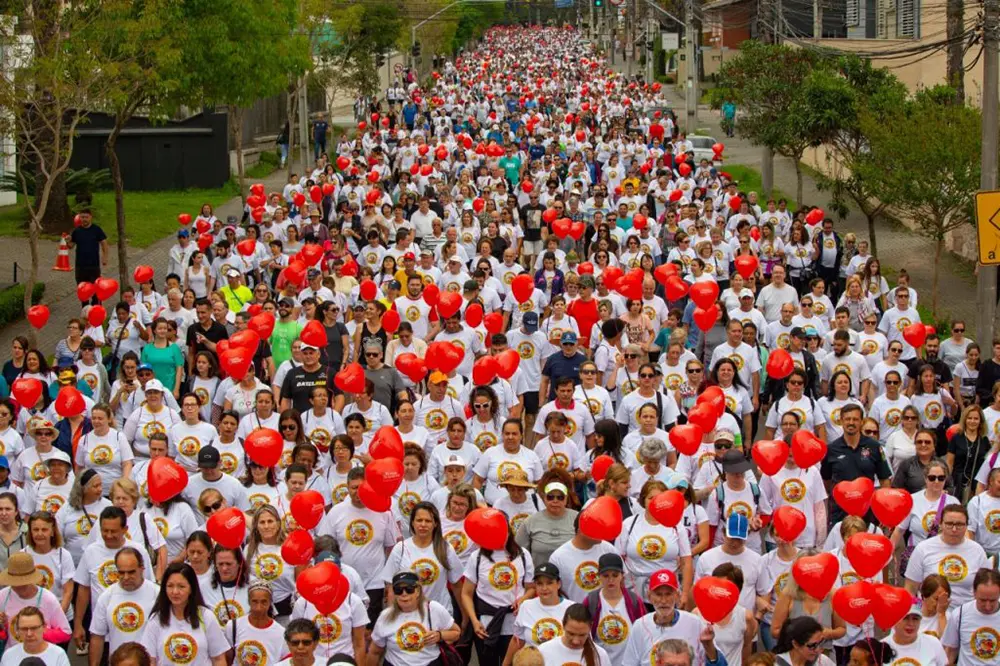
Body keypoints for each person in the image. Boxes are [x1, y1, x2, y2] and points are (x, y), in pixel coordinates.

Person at [621, 569, 722, 666]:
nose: (664, 600)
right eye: (658, 594)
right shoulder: (640, 626)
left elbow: (721, 664)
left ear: (678, 595)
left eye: (668, 594)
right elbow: (629, 663)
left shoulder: (694, 622)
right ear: (649, 596)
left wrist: (709, 646)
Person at [141, 562, 228, 666]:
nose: (175, 592)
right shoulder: (156, 619)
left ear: (191, 588)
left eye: (181, 586)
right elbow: (150, 660)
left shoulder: (206, 617)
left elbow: (219, 659)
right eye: (170, 586)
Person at [370, 571, 460, 666]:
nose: (404, 594)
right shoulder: (385, 616)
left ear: (418, 591)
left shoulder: (434, 609)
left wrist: (440, 635)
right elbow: (375, 652)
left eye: (409, 589)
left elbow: (456, 633)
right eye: (398, 590)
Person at [89, 547, 159, 662]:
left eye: (131, 572)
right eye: (121, 572)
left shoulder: (157, 595)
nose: (126, 577)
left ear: (142, 568)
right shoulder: (107, 597)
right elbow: (97, 636)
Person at [503, 562, 574, 662]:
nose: (544, 588)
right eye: (539, 583)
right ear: (535, 585)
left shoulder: (572, 608)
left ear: (558, 584)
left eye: (549, 583)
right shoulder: (526, 606)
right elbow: (517, 640)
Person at [0, 551, 71, 648]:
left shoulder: (47, 599)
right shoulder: (3, 596)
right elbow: (3, 635)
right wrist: (3, 627)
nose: (19, 587)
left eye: (24, 583)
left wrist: (40, 631)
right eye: (15, 583)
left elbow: (65, 633)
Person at [515, 470, 579, 567]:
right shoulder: (530, 522)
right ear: (544, 498)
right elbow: (518, 553)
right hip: (540, 579)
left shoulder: (578, 519)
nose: (555, 501)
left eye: (560, 497)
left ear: (566, 498)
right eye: (550, 497)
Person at [942, 568, 1000, 666]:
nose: (988, 606)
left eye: (992, 600)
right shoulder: (959, 614)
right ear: (974, 592)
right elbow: (950, 652)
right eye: (982, 600)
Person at [225, 580, 288, 666]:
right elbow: (226, 659)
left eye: (264, 602)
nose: (258, 608)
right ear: (249, 601)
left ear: (270, 602)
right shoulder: (233, 626)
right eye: (254, 601)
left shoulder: (282, 633)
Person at [536, 604, 612, 666]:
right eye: (571, 634)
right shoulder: (544, 651)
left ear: (590, 627)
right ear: (563, 624)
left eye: (582, 635)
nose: (576, 641)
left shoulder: (600, 655)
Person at [0, 606, 72, 666]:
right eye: (24, 629)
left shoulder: (58, 655)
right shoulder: (8, 655)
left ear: (44, 627)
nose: (29, 634)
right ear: (17, 631)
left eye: (34, 628)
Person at [884, 600, 947, 666]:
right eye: (905, 618)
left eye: (915, 619)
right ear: (894, 619)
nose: (911, 623)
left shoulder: (933, 643)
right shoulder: (881, 648)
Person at [68, 209, 109, 285]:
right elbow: (71, 246)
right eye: (82, 217)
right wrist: (68, 241)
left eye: (86, 217)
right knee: (82, 288)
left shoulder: (96, 229)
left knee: (95, 289)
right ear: (79, 218)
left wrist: (105, 257)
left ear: (90, 217)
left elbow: (104, 243)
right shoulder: (76, 231)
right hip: (80, 266)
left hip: (93, 265)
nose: (84, 219)